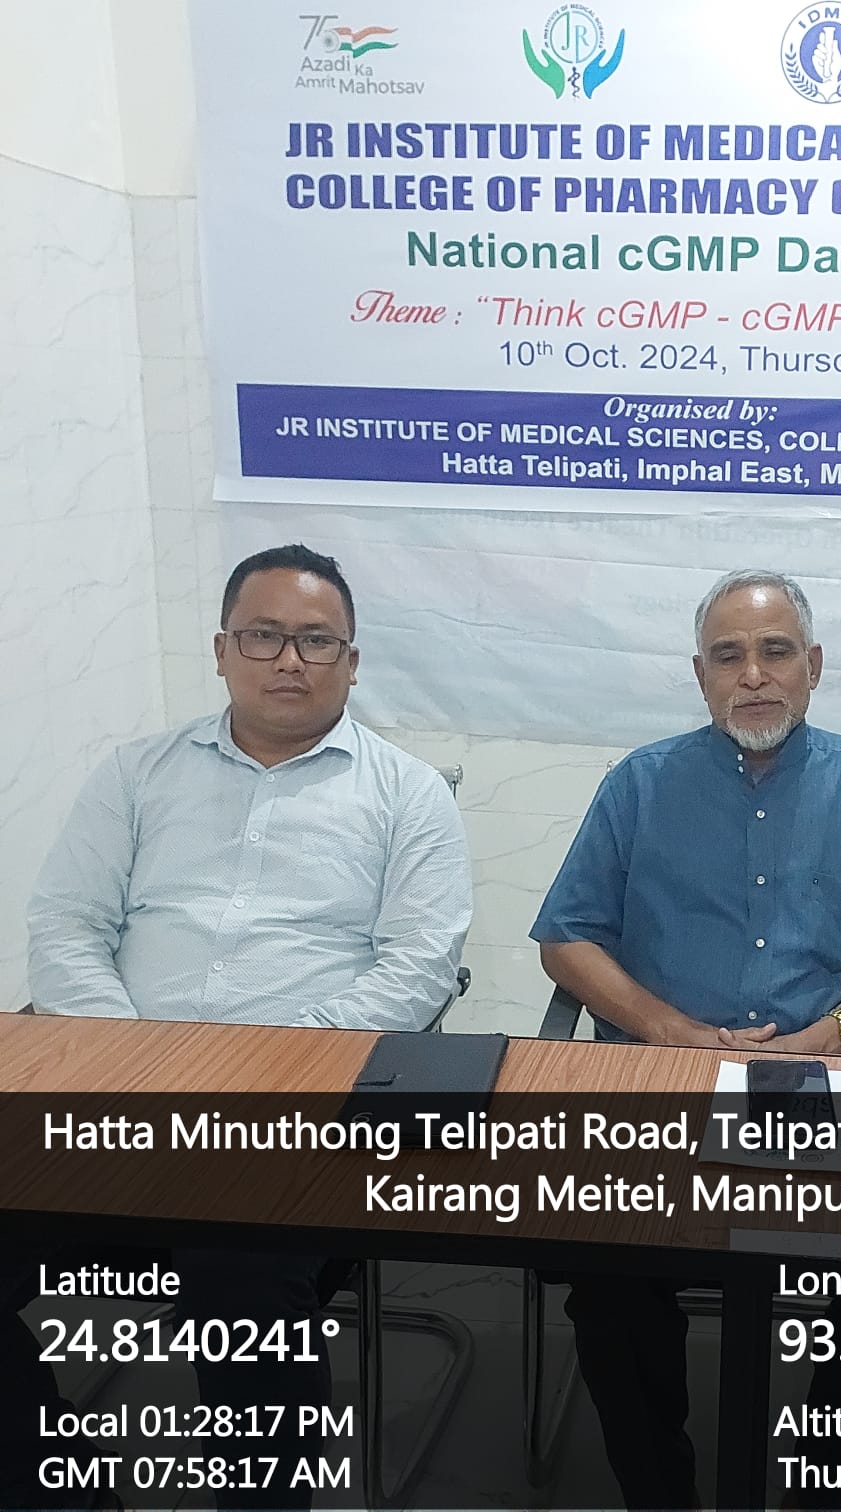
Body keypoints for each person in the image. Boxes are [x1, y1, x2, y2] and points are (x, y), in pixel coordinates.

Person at [14, 543, 473, 1510]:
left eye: (317, 640)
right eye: (264, 636)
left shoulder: (408, 795)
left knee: (242, 1288)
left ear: (353, 661)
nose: (290, 659)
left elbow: (418, 968)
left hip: (290, 1119)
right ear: (222, 650)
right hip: (114, 1100)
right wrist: (134, 1065)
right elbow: (66, 926)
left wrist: (257, 1075)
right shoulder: (136, 774)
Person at [531, 568, 841, 1509]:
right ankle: (662, 1496)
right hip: (664, 1083)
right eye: (729, 656)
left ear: (814, 665)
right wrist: (669, 1031)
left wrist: (830, 1037)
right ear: (701, 675)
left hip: (829, 1082)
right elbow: (568, 939)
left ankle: (826, 1492)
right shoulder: (640, 783)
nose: (754, 675)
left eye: (775, 652)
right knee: (608, 1279)